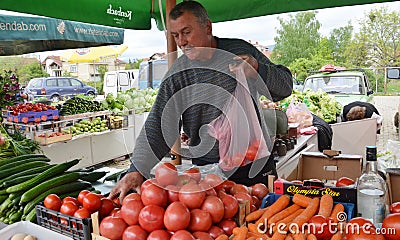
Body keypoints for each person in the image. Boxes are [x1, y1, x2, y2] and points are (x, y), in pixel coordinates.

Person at [109, 1, 293, 201]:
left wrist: (257, 68)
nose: (181, 42)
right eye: (175, 35)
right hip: (209, 173)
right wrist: (137, 169)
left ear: (207, 27)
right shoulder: (177, 75)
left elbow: (284, 87)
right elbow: (159, 124)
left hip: (254, 164)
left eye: (186, 32)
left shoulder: (239, 51)